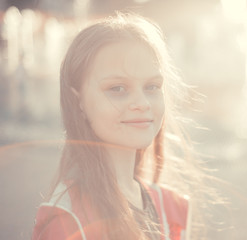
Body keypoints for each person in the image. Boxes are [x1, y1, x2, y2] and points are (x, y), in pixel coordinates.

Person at [31, 13, 205, 240]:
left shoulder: (173, 210)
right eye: (117, 88)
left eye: (152, 86)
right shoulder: (67, 220)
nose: (142, 103)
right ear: (78, 101)